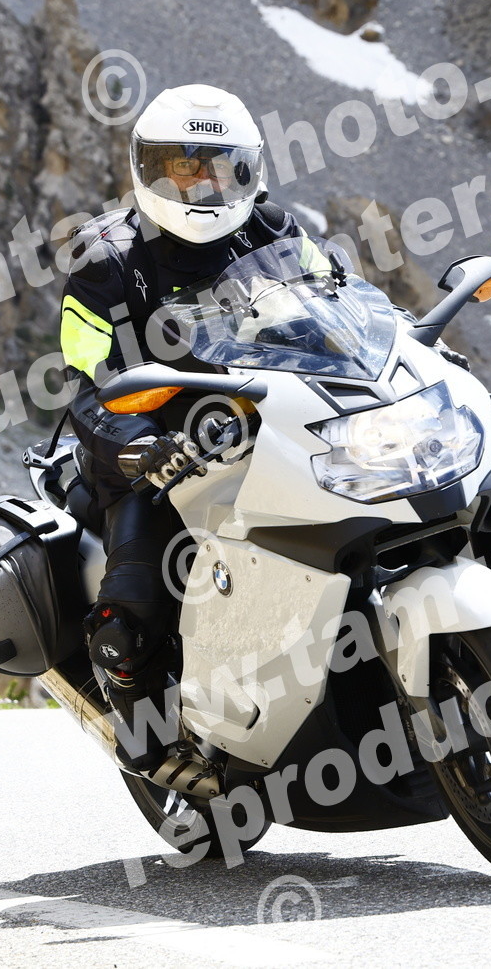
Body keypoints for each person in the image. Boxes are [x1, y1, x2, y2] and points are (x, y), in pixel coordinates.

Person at [58, 83, 303, 770]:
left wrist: (415, 353)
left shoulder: (276, 233)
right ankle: (144, 736)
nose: (199, 183)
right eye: (181, 166)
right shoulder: (104, 258)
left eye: (215, 167)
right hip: (154, 457)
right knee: (133, 604)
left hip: (271, 431)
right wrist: (136, 448)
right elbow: (85, 383)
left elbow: (345, 307)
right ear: (149, 169)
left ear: (246, 169)